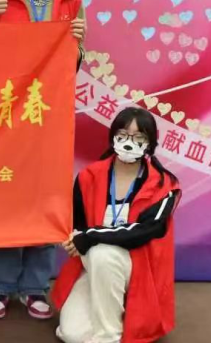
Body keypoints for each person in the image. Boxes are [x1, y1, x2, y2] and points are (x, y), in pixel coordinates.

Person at [0, 0, 86, 320]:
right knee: (5, 199)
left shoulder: (71, 0)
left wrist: (77, 47)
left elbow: (71, 65)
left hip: (50, 117)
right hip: (7, 118)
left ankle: (35, 288)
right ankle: (1, 286)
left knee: (46, 199)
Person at [53, 107, 181, 343]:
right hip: (95, 267)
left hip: (138, 267)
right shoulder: (88, 176)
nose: (129, 142)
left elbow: (147, 230)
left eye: (139, 137)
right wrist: (75, 239)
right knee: (72, 334)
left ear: (150, 143)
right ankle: (114, 311)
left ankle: (108, 336)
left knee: (103, 252)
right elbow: (78, 226)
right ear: (112, 136)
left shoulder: (165, 185)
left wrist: (91, 237)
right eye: (123, 134)